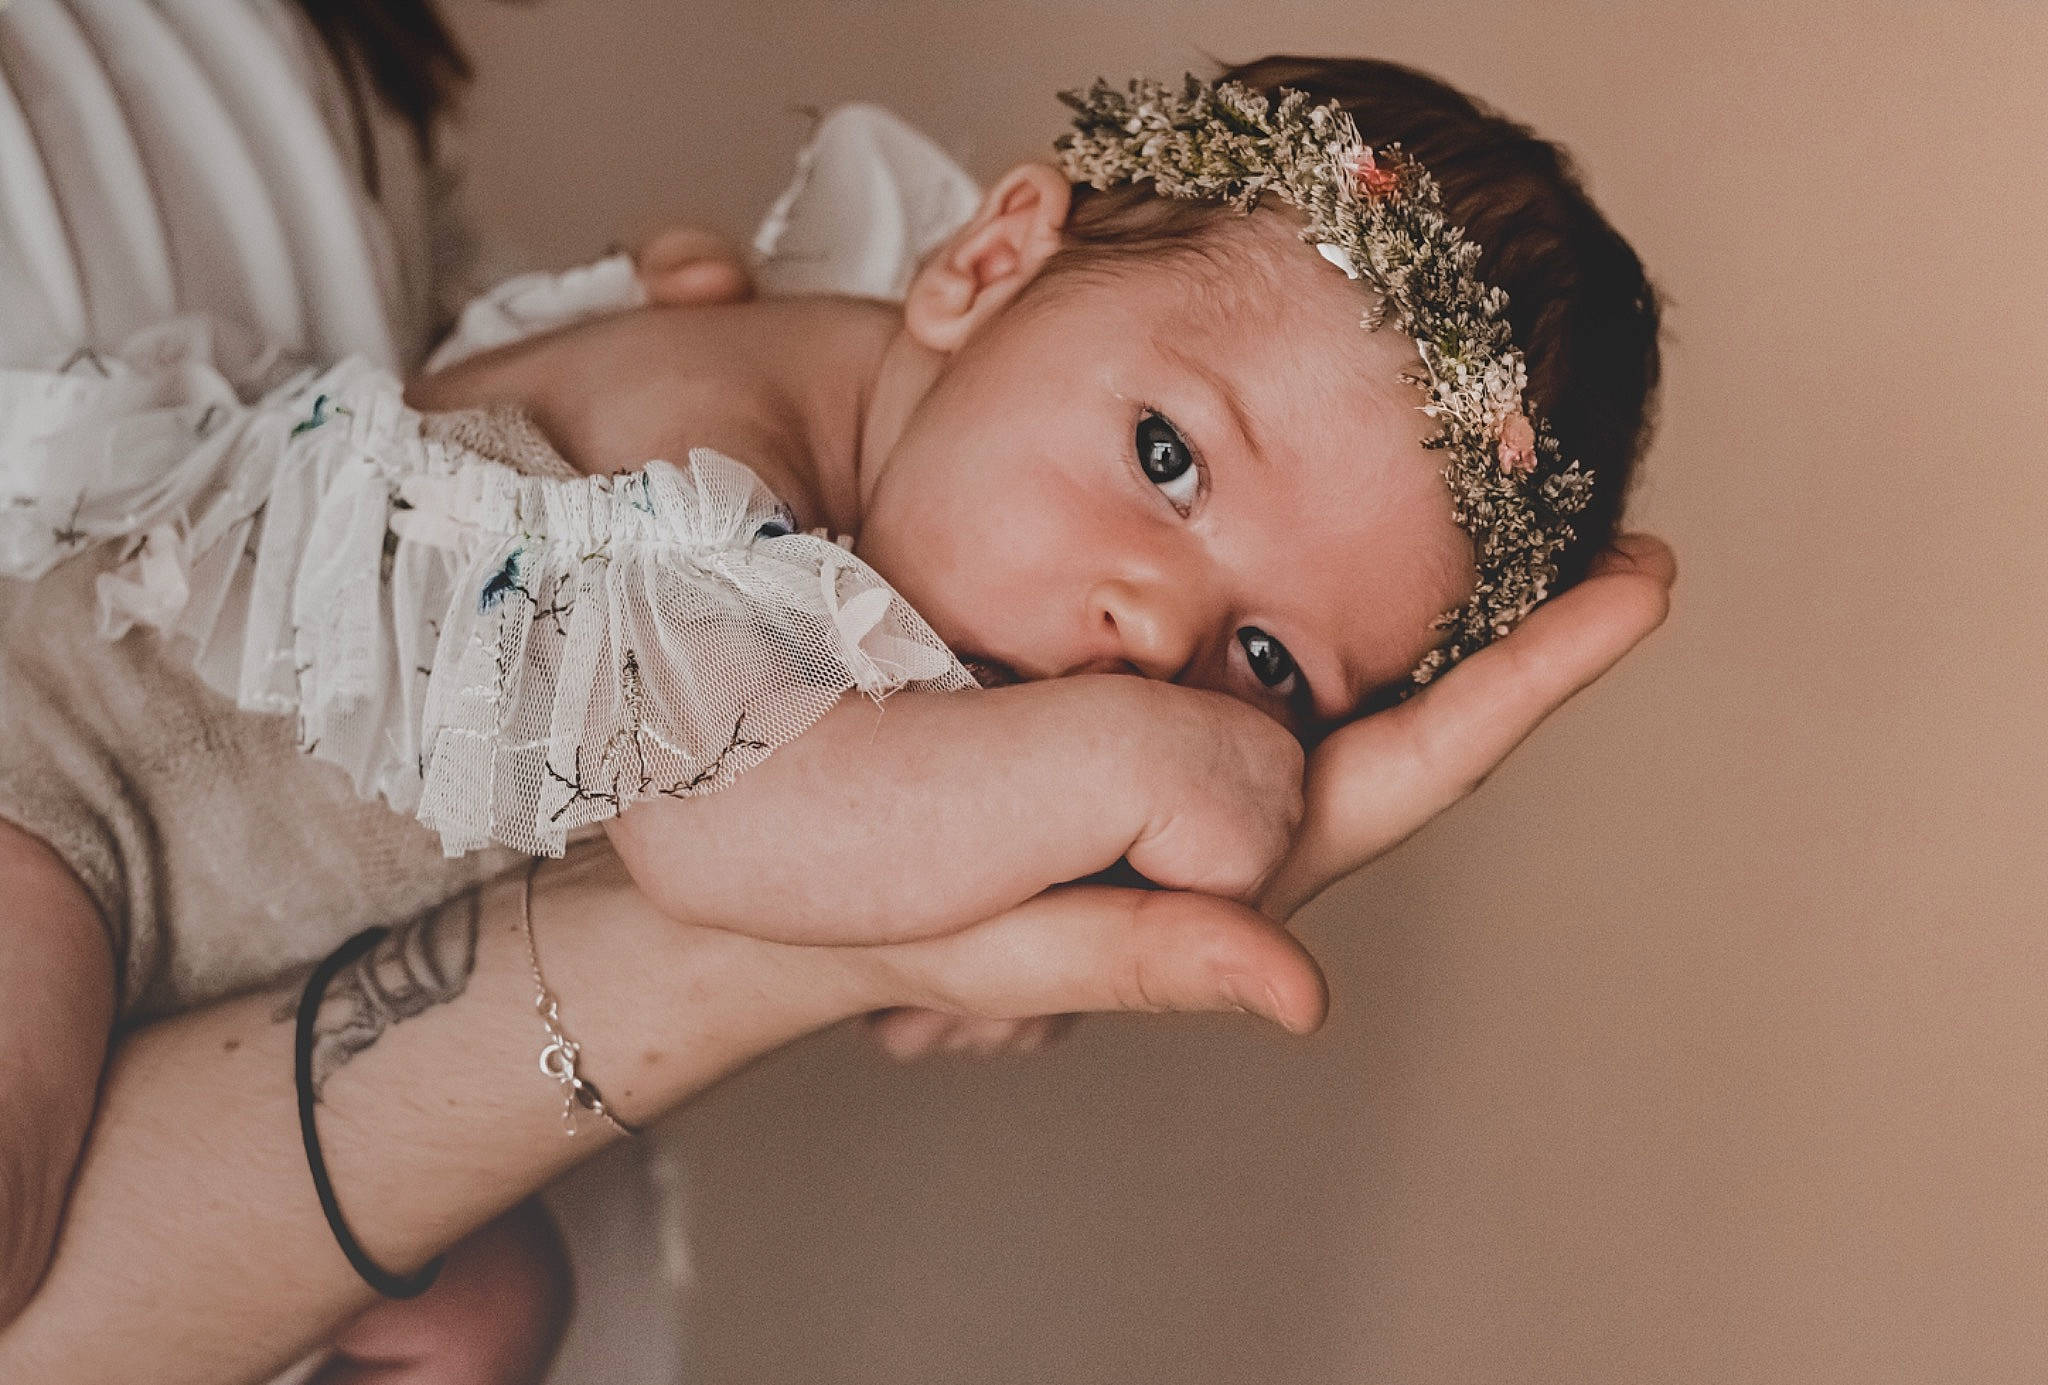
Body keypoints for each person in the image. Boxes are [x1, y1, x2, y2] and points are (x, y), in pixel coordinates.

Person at [0, 22, 1676, 1385]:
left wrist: (1057, 848)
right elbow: (730, 827)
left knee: (494, 1315)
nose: (1152, 628)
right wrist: (1154, 764)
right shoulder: (713, 435)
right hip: (69, 803)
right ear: (986, 264)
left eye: (1270, 664)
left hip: (281, 992)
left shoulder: (885, 490)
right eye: (1166, 460)